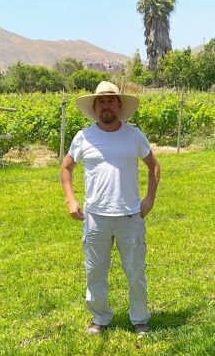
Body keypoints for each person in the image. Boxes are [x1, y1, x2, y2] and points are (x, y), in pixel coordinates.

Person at [60, 81, 160, 337]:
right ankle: (99, 318)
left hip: (130, 216)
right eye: (101, 101)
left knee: (135, 271)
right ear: (95, 107)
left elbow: (154, 166)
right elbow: (66, 168)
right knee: (95, 271)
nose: (106, 105)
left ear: (119, 105)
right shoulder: (83, 136)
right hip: (95, 218)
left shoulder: (134, 135)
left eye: (111, 100)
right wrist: (70, 200)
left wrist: (149, 198)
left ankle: (140, 319)